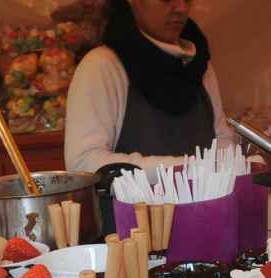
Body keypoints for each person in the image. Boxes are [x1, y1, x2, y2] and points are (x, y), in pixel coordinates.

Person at [64, 0, 234, 177]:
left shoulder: (199, 64)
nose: (181, 8)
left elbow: (223, 141)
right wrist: (187, 169)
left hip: (208, 204)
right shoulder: (102, 66)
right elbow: (84, 163)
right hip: (131, 205)